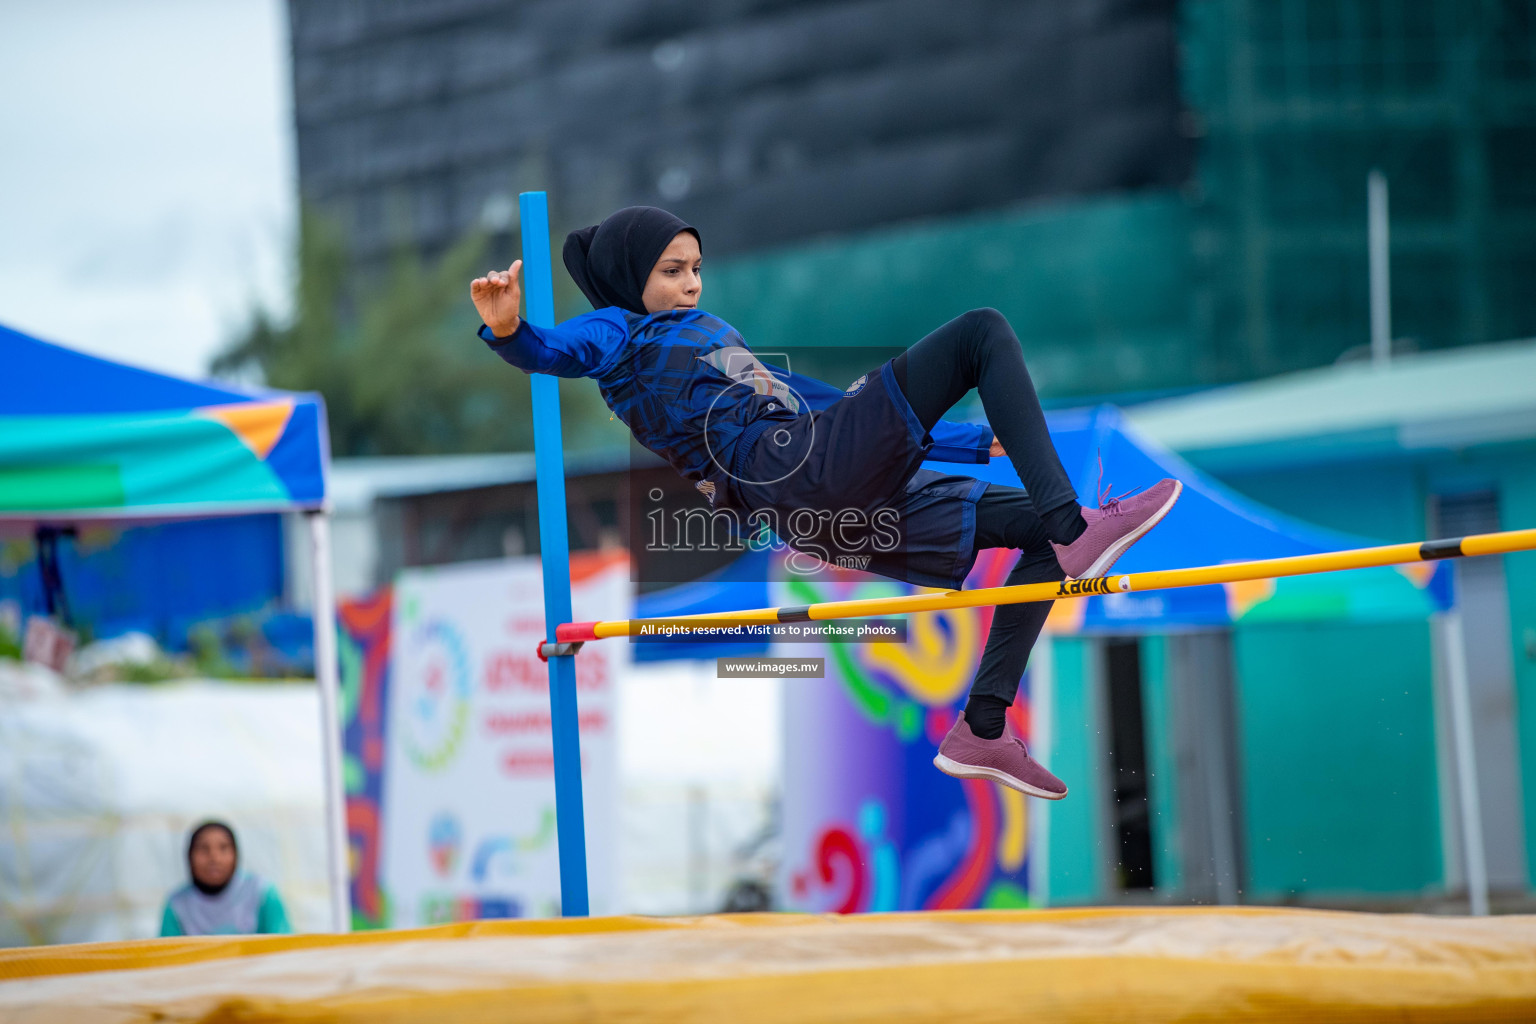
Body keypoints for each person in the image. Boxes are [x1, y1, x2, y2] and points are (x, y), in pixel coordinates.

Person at [470, 207, 1181, 799]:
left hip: (818, 491)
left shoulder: (707, 336)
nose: (690, 285)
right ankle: (1073, 523)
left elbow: (818, 407)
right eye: (671, 272)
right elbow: (557, 350)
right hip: (796, 475)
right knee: (981, 333)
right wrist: (510, 332)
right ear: (631, 279)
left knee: (1038, 545)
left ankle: (984, 726)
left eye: (695, 268)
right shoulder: (620, 333)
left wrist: (967, 441)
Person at [159, 821, 291, 937]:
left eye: (223, 848)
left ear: (236, 854)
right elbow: (166, 958)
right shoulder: (177, 904)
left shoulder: (262, 892)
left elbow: (285, 948)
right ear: (189, 856)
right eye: (203, 849)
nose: (214, 858)